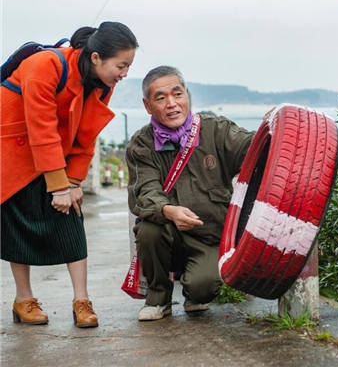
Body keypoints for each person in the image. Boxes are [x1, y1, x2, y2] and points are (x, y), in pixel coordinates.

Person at [1, 22, 138, 328]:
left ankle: (82, 299)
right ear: (96, 58)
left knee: (72, 224)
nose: (124, 73)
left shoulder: (103, 84)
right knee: (17, 228)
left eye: (128, 66)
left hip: (52, 151)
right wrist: (59, 187)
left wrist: (73, 183)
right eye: (121, 65)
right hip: (12, 147)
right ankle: (24, 299)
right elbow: (41, 128)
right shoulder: (45, 65)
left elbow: (87, 135)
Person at [126, 66, 253, 321]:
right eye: (160, 98)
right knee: (149, 230)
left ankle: (194, 291)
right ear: (148, 105)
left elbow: (252, 148)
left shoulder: (216, 130)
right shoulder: (141, 144)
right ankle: (158, 298)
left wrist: (272, 130)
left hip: (208, 236)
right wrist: (168, 211)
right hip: (168, 233)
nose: (172, 104)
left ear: (188, 95)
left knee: (203, 288)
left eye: (177, 94)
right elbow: (144, 192)